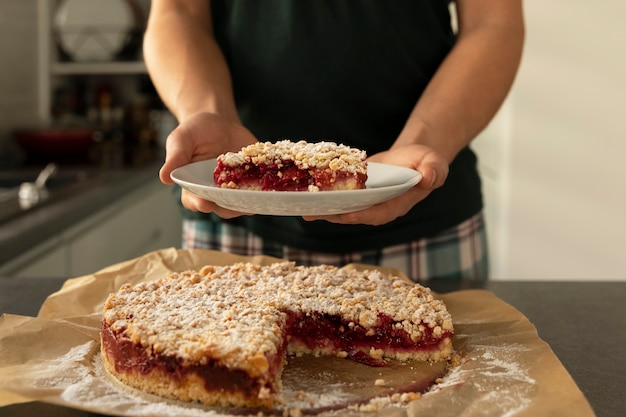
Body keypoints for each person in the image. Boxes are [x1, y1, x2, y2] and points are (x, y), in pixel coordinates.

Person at [143, 0, 525, 281]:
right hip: (233, 216)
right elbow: (178, 13)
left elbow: (493, 22)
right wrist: (208, 112)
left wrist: (425, 139)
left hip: (423, 213)